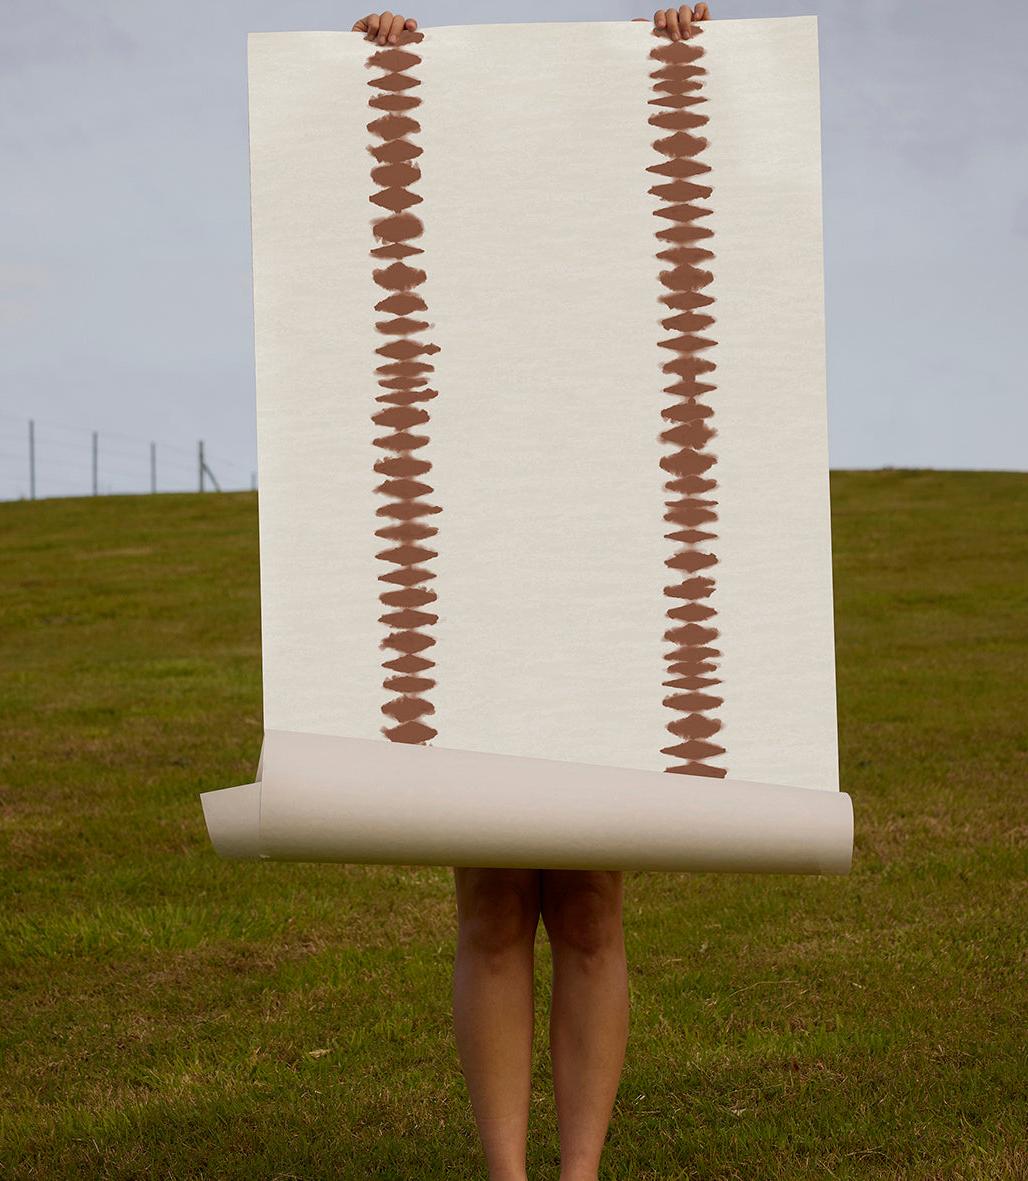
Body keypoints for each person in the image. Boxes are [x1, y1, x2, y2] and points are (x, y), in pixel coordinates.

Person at [352, 9, 712, 1178]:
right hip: (473, 566)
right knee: (492, 892)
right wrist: (390, 56)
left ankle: (579, 1172)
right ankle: (506, 1174)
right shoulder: (446, 276)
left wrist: (675, 54)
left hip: (600, 560)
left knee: (591, 896)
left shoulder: (615, 273)